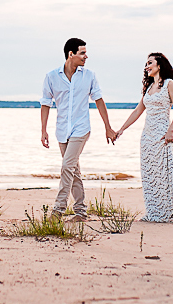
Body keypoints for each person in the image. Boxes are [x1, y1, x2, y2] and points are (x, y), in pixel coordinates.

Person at [40, 37, 117, 219]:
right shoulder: (51, 77)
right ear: (71, 54)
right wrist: (43, 130)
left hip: (81, 129)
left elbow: (99, 101)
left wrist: (108, 127)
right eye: (82, 53)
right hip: (62, 130)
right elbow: (45, 104)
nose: (86, 56)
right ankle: (81, 212)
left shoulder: (89, 75)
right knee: (73, 171)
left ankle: (58, 211)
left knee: (67, 166)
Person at [114, 52, 173, 222]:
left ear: (159, 65)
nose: (147, 66)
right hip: (147, 137)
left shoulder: (169, 84)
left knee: (166, 173)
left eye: (150, 63)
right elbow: (138, 111)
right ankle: (156, 212)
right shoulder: (149, 87)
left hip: (163, 135)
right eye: (146, 64)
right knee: (151, 175)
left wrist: (171, 130)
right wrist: (121, 129)